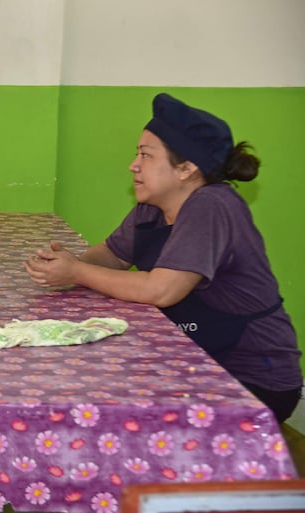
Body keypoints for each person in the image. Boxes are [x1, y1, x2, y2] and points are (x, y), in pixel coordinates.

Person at [25, 93, 302, 423]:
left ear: (186, 168)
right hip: (191, 356)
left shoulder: (211, 205)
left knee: (121, 418)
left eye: (145, 155)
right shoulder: (153, 206)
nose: (133, 164)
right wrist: (68, 264)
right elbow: (112, 255)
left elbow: (162, 290)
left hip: (246, 376)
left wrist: (79, 272)